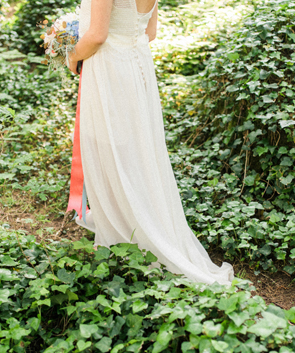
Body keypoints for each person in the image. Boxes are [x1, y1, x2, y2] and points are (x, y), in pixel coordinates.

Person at [64, 0, 234, 285]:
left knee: (109, 149)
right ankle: (132, 223)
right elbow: (150, 32)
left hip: (109, 68)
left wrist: (70, 55)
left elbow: (96, 35)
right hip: (136, 64)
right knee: (137, 151)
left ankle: (120, 235)